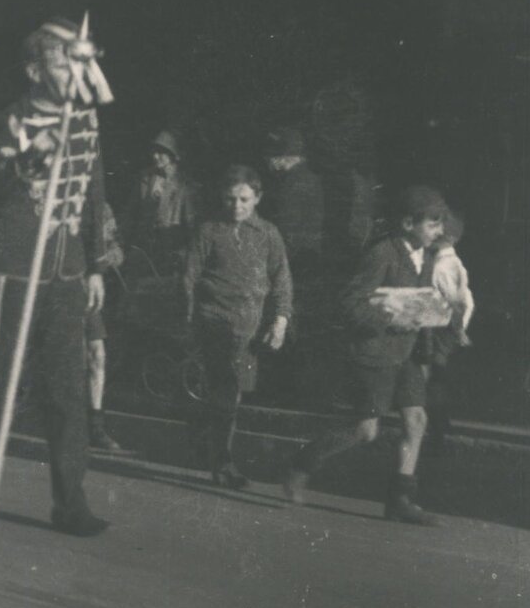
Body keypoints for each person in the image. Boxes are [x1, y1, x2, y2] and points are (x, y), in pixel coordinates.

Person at [0, 17, 112, 537]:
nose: (74, 73)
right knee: (1, 380)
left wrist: (96, 263)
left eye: (79, 63)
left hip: (68, 268)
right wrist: (25, 164)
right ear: (35, 70)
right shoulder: (8, 122)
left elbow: (95, 193)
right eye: (63, 63)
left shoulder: (84, 119)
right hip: (17, 266)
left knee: (67, 388)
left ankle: (69, 501)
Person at [281, 185, 450, 524]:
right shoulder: (382, 253)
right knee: (365, 431)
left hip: (407, 355)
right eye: (432, 224)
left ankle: (400, 500)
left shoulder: (427, 257)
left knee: (416, 421)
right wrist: (388, 314)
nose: (440, 231)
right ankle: (302, 463)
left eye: (440, 223)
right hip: (374, 355)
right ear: (407, 223)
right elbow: (350, 305)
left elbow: (420, 303)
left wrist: (428, 344)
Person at [183, 166, 293, 489]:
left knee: (232, 394)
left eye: (244, 199)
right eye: (230, 199)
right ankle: (223, 463)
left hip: (249, 328)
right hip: (214, 321)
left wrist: (281, 320)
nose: (237, 207)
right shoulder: (209, 231)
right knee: (228, 389)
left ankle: (213, 446)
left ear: (257, 198)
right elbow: (189, 279)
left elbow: (282, 280)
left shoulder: (268, 234)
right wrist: (188, 323)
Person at [423, 207, 476, 453]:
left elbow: (458, 301)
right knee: (434, 375)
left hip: (441, 327)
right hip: (444, 326)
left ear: (451, 238)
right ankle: (437, 424)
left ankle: (437, 427)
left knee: (434, 375)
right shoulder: (447, 262)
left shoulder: (444, 266)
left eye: (440, 234)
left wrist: (457, 330)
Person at [85, 197, 126, 452]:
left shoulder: (101, 208)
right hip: (51, 287)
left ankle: (95, 427)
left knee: (97, 354)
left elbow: (116, 248)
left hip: (83, 289)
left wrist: (101, 263)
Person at [261, 126, 327, 286]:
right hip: (309, 254)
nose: (267, 163)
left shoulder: (291, 185)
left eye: (269, 157)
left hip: (295, 258)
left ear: (281, 158)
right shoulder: (309, 177)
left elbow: (288, 227)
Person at [131, 129, 194, 266]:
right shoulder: (145, 178)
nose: (155, 156)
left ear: (172, 155)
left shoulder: (184, 185)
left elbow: (191, 224)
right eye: (154, 151)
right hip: (144, 250)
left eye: (161, 152)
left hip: (171, 253)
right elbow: (132, 212)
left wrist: (183, 253)